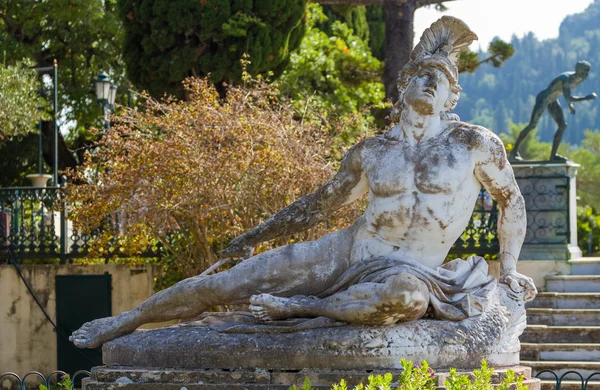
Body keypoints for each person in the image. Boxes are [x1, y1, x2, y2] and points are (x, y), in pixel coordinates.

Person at [70, 16, 536, 349]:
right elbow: (317, 206)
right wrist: (254, 236)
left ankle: (301, 309)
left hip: (414, 270)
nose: (432, 84)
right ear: (405, 86)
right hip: (350, 251)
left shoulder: (472, 143)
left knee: (405, 300)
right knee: (231, 282)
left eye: (442, 78)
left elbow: (510, 202)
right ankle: (125, 321)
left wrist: (510, 267)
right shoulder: (372, 151)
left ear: (454, 94)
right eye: (423, 75)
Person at [510, 61, 597, 161]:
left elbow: (566, 94)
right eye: (584, 71)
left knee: (563, 125)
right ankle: (513, 152)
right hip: (544, 98)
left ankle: (553, 155)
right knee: (532, 125)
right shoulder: (567, 78)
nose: (586, 74)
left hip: (553, 100)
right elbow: (568, 98)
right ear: (578, 70)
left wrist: (570, 106)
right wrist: (586, 98)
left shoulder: (578, 79)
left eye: (587, 72)